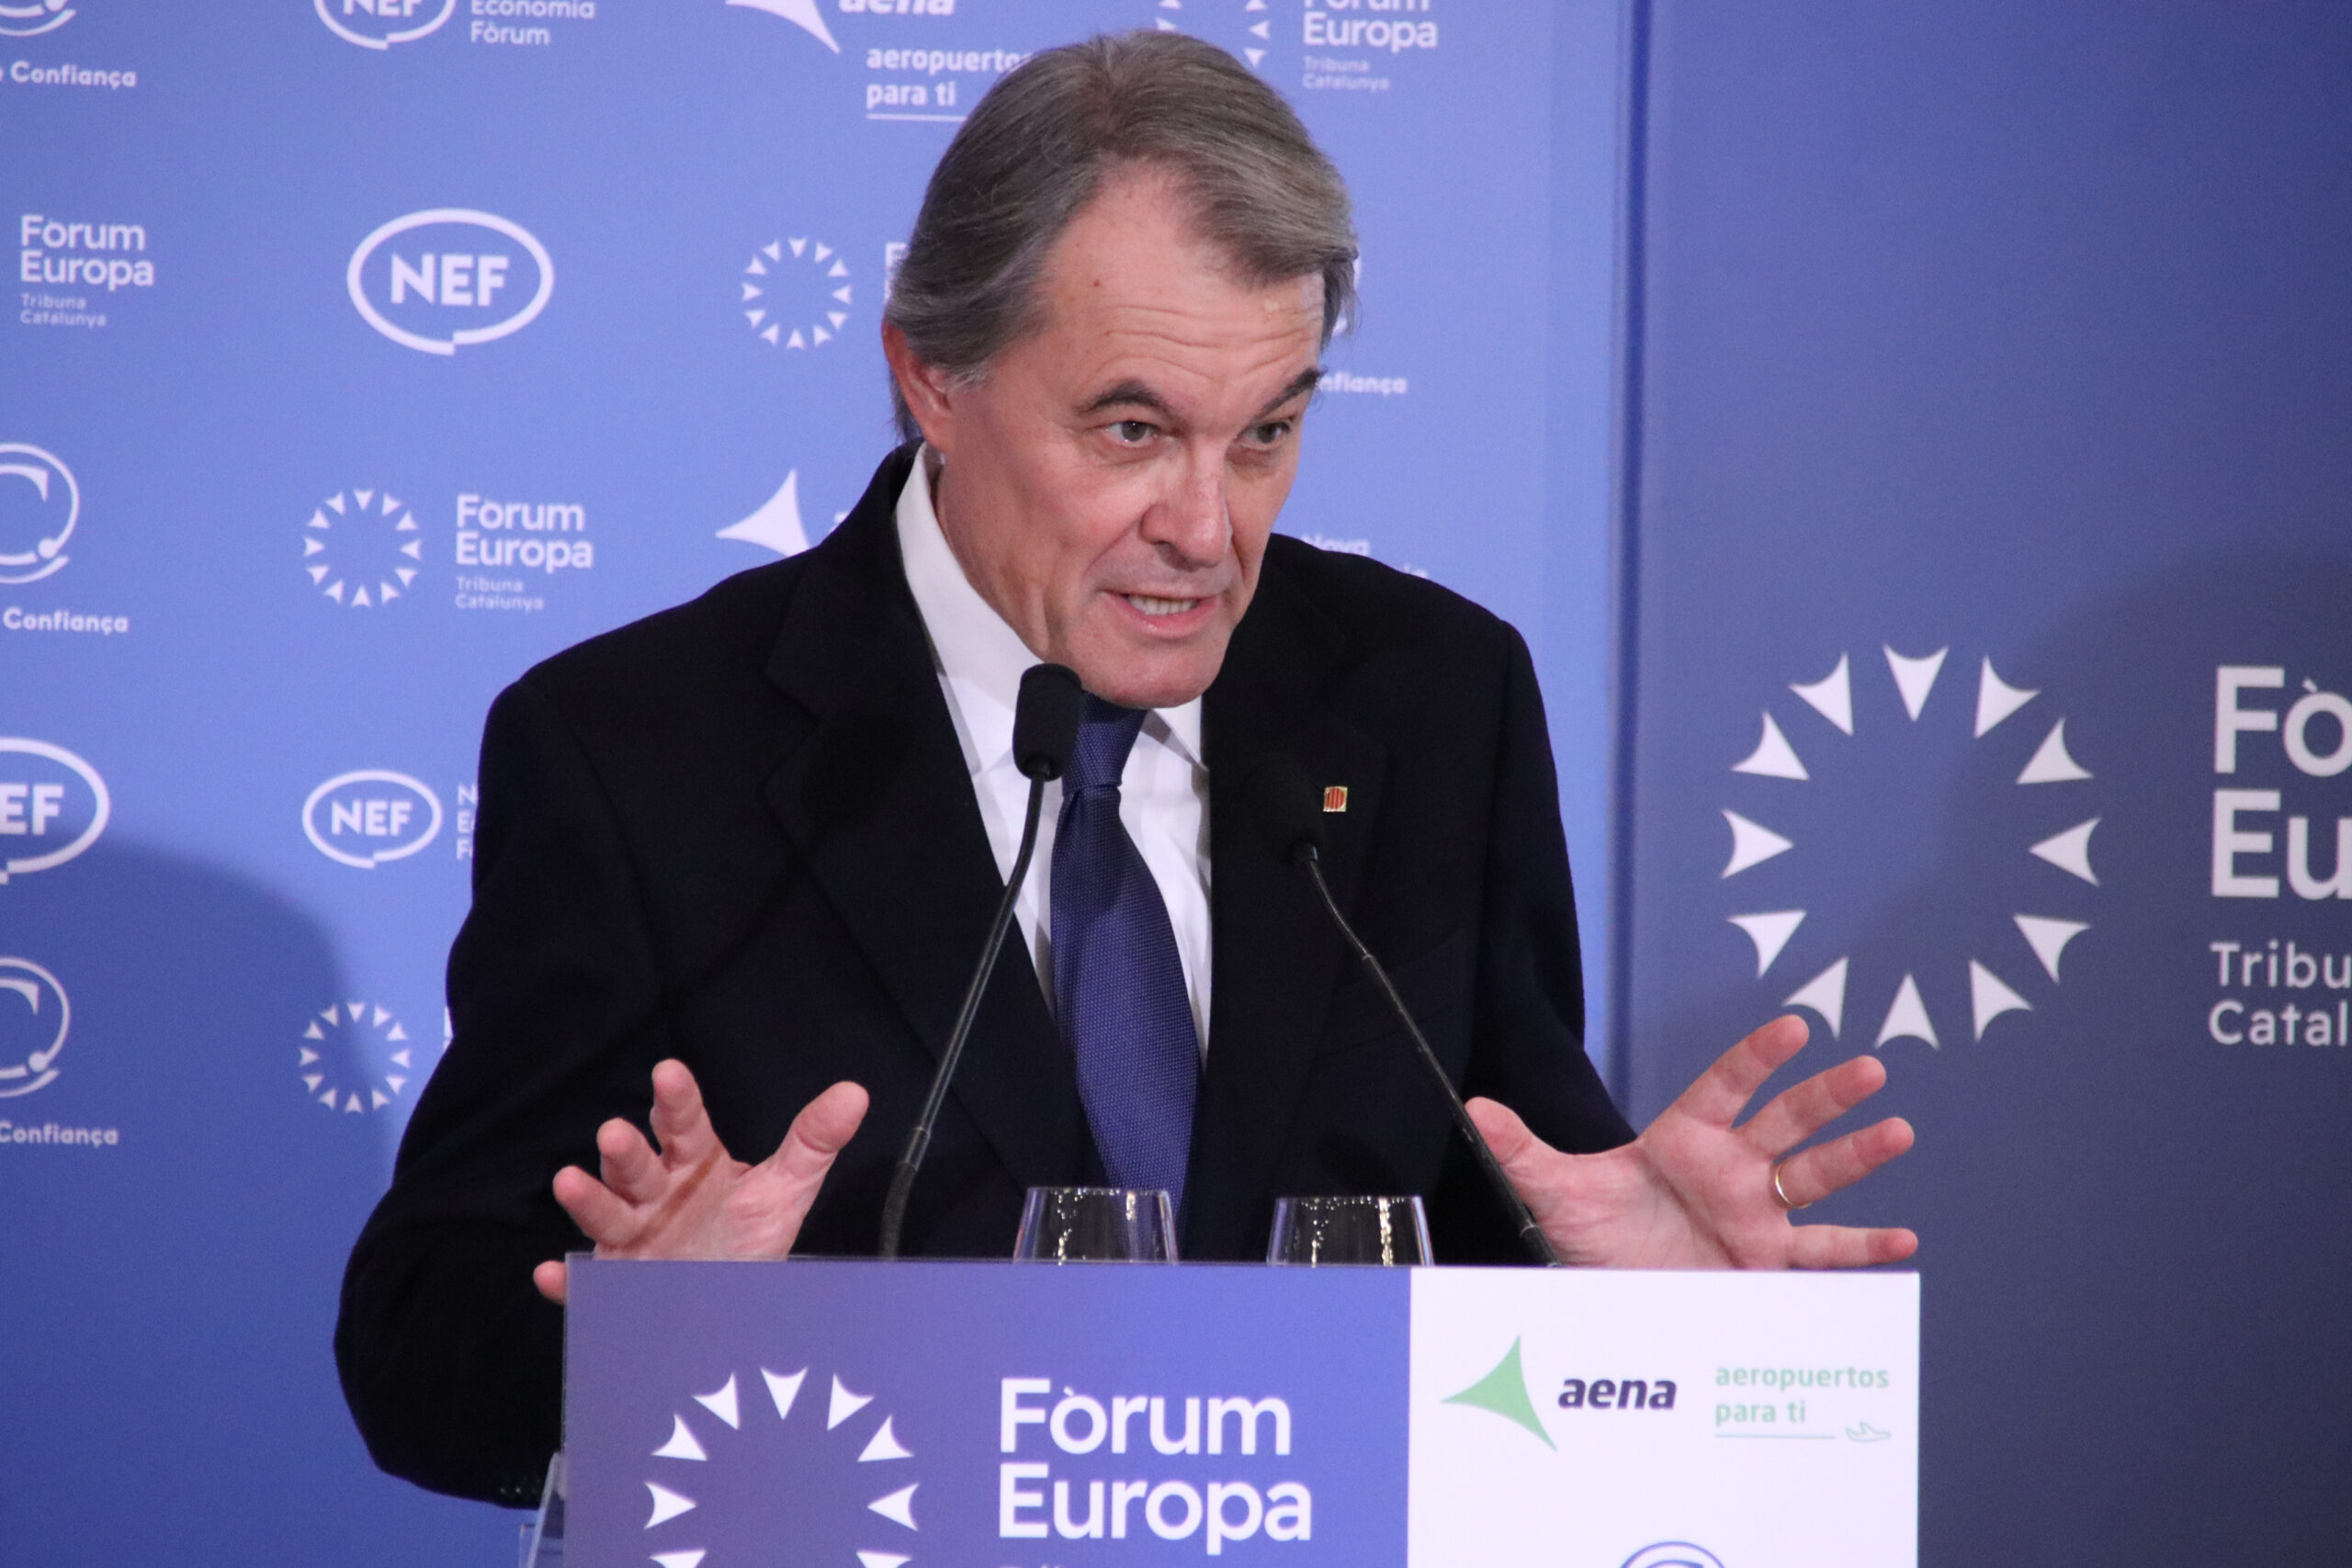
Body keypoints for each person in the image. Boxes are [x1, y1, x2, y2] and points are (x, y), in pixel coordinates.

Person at [335, 31, 1916, 1506]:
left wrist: (1640, 1320)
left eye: (1267, 433)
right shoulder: (638, 750)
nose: (1209, 532)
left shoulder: (1437, 702)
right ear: (933, 376)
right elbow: (421, 1350)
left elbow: (1510, 1235)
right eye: (1133, 432)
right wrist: (642, 1346)